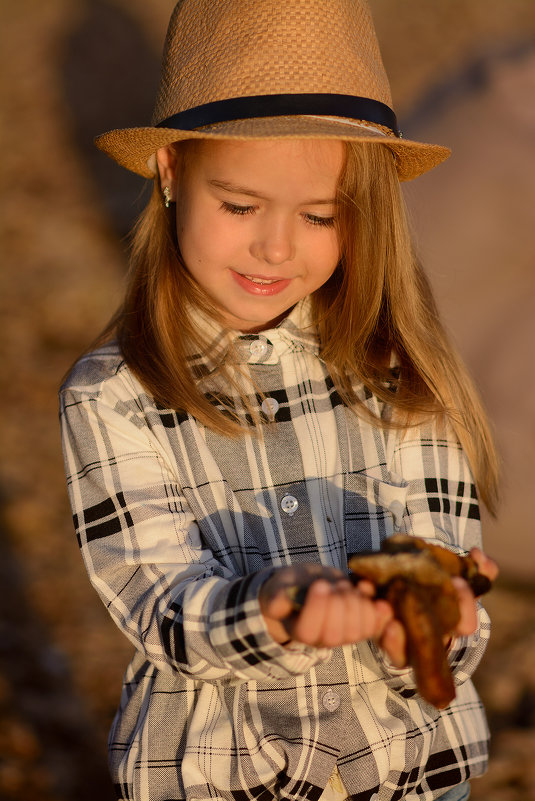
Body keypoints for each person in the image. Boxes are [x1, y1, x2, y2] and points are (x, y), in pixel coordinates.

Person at [59, 2, 499, 800]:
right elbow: (161, 604)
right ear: (169, 170)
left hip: (409, 773)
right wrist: (276, 609)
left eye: (319, 215)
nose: (275, 246)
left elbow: (439, 548)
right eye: (239, 205)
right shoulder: (113, 396)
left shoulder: (406, 379)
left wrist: (442, 617)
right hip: (221, 779)